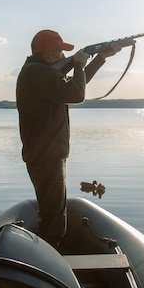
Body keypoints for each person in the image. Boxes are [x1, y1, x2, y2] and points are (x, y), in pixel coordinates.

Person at [16, 29, 121, 248]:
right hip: (46, 156)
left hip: (48, 154)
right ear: (47, 56)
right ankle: (44, 265)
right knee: (53, 223)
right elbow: (76, 94)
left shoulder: (41, 73)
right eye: (59, 52)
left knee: (53, 216)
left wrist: (100, 58)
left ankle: (45, 259)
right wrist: (79, 65)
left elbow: (74, 87)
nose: (64, 58)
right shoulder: (38, 74)